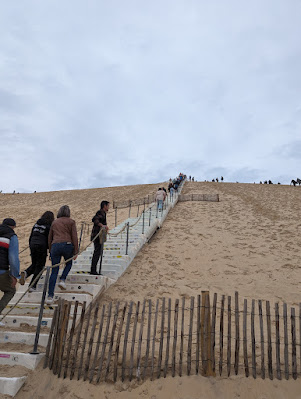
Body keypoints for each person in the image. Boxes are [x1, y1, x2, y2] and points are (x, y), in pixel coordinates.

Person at [46, 206, 78, 304]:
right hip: (67, 245)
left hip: (55, 245)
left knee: (54, 271)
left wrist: (50, 251)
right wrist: (76, 251)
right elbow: (74, 237)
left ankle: (50, 296)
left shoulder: (54, 222)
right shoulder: (71, 222)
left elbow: (50, 237)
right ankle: (62, 279)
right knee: (68, 263)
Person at [20, 211, 54, 291]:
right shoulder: (49, 226)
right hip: (42, 246)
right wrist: (50, 251)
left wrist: (30, 245)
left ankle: (26, 273)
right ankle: (33, 285)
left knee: (35, 264)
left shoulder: (36, 224)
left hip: (32, 244)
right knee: (40, 266)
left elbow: (31, 236)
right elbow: (50, 239)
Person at [0, 218, 20, 326]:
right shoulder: (11, 236)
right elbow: (13, 258)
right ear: (12, 227)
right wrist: (14, 275)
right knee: (10, 290)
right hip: (1, 270)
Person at [90, 201, 110, 275]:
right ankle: (93, 270)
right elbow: (94, 219)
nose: (108, 207)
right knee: (97, 252)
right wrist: (102, 225)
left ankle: (93, 269)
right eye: (108, 206)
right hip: (98, 236)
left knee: (98, 252)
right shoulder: (100, 212)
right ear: (104, 206)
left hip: (99, 236)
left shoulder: (103, 213)